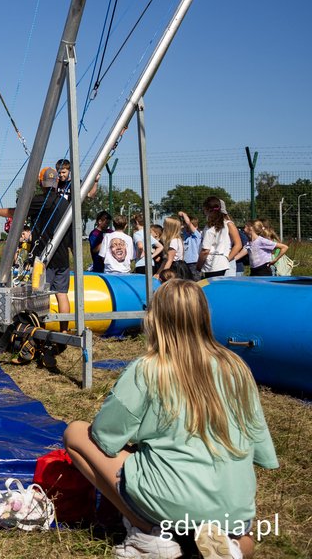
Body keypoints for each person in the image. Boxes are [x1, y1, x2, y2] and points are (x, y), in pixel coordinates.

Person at [63, 280, 277, 559]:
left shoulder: (150, 368)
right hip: (232, 507)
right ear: (204, 316)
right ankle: (233, 549)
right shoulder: (236, 367)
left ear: (154, 319)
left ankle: (148, 533)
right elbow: (259, 446)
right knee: (246, 537)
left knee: (76, 433)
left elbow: (105, 435)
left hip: (169, 499)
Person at [0, 167, 73, 322]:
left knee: (37, 294)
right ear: (57, 181)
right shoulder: (65, 204)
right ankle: (64, 331)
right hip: (63, 256)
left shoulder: (40, 201)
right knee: (62, 294)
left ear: (40, 182)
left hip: (44, 257)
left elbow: (15, 213)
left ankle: (35, 328)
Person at [198, 197, 241, 279]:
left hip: (217, 262)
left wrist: (227, 258)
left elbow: (238, 244)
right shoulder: (210, 226)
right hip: (216, 263)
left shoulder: (226, 225)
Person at [178, 211, 203, 280]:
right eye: (185, 227)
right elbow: (180, 225)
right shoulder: (185, 235)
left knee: (195, 282)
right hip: (185, 263)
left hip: (194, 263)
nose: (187, 228)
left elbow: (188, 223)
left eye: (188, 227)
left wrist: (183, 214)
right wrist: (181, 218)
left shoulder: (197, 235)